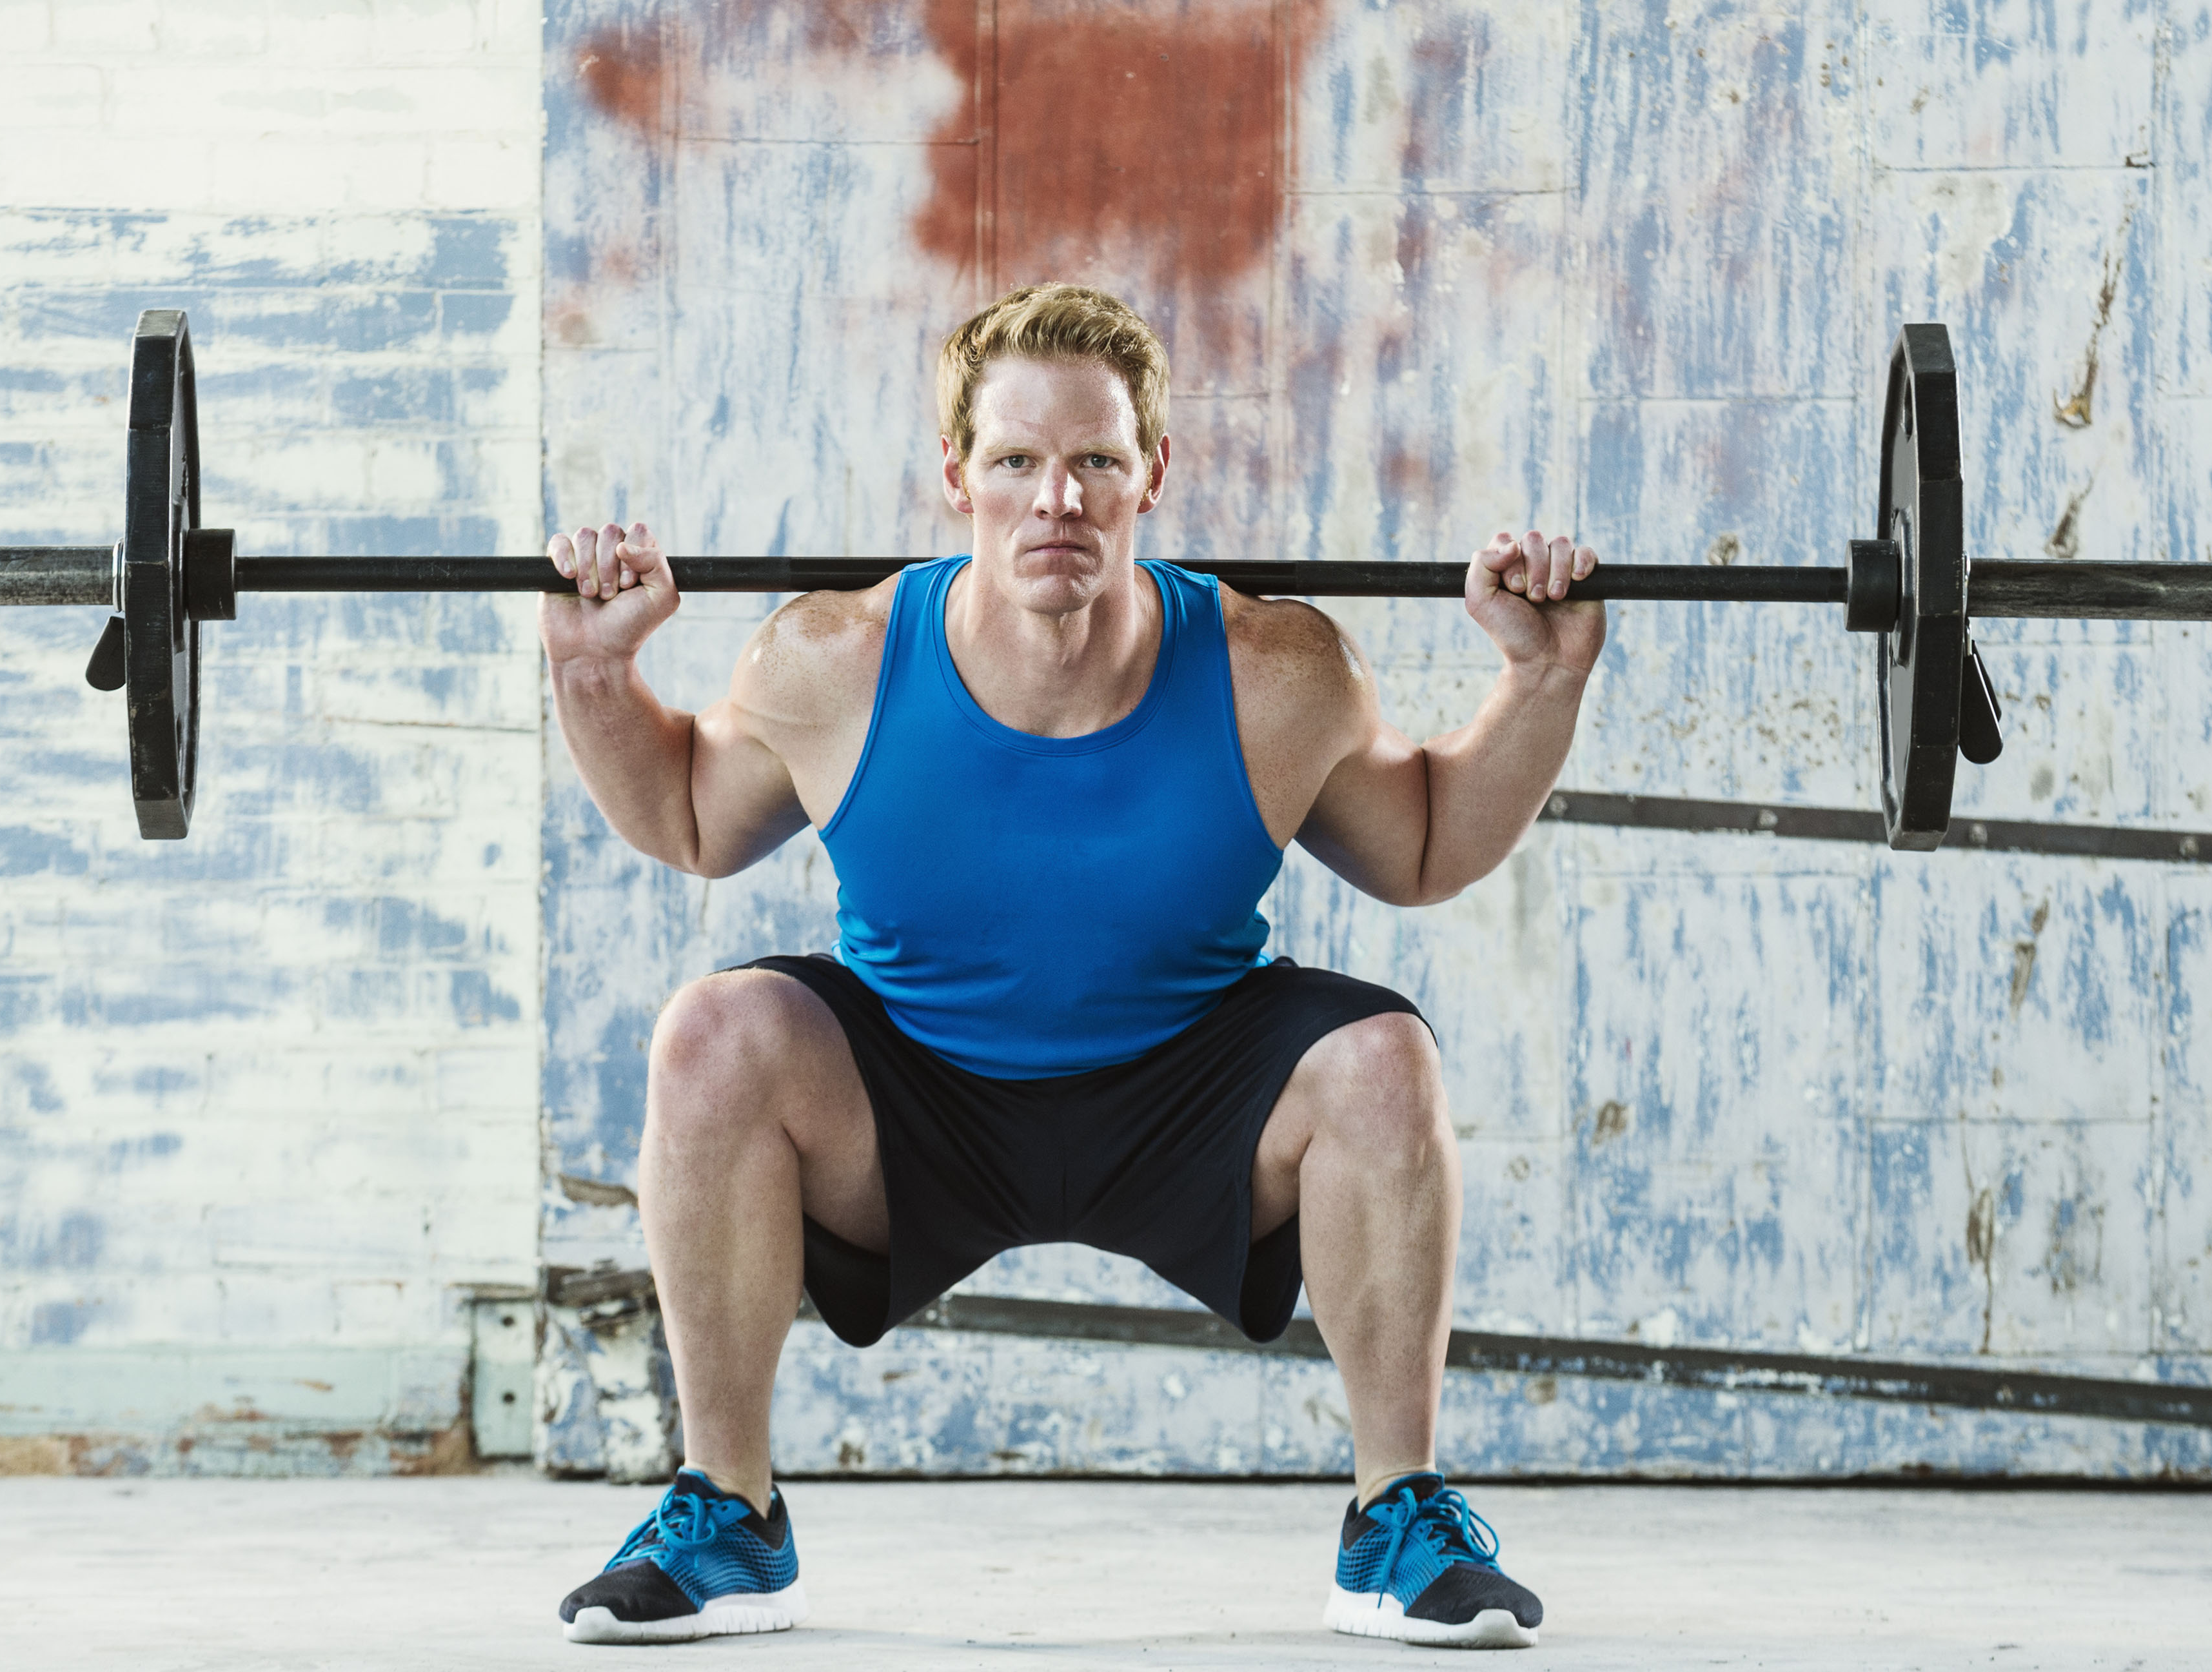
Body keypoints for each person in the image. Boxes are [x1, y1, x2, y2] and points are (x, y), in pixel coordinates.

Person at [541, 283, 1601, 1649]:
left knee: (1382, 1060)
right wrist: (592, 678)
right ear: (956, 479)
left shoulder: (1276, 673)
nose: (1058, 500)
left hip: (1193, 1094)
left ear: (1151, 472)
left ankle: (1397, 1514)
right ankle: (728, 1512)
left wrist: (1541, 681)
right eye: (1017, 462)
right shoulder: (833, 661)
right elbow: (688, 819)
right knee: (711, 1036)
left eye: (1096, 460)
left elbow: (1430, 849)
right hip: (914, 1102)